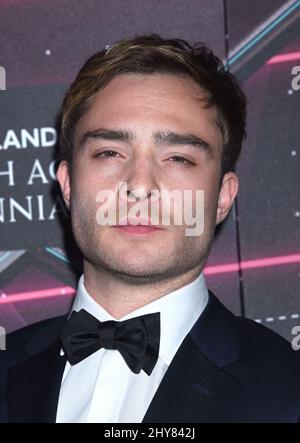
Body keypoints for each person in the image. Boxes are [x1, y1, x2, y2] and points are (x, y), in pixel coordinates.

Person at [1, 34, 299, 423]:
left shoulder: (288, 391)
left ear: (222, 197)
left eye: (177, 158)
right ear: (69, 184)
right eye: (109, 153)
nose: (140, 185)